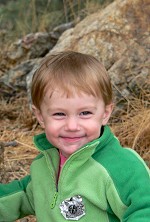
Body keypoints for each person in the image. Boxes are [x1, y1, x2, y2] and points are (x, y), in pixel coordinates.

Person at [0, 51, 150, 221]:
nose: (72, 126)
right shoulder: (43, 166)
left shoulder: (122, 165)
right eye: (59, 114)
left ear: (105, 113)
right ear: (40, 116)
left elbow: (144, 209)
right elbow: (21, 197)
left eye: (85, 113)